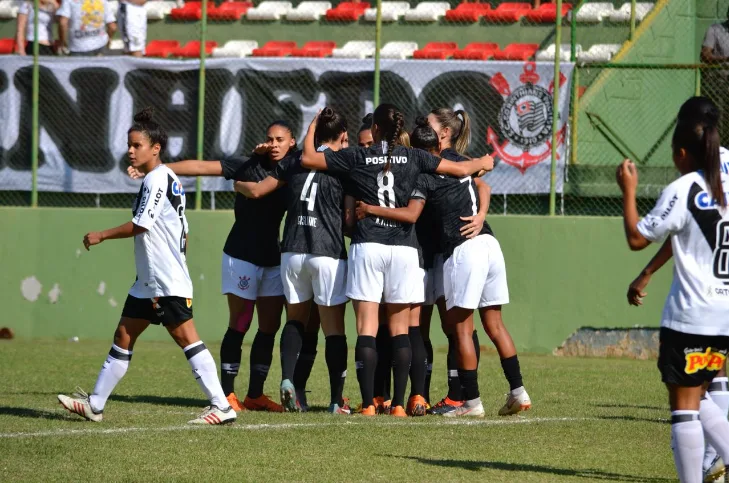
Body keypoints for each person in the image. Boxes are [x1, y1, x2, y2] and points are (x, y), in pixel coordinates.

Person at [301, 103, 493, 417]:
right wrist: (484, 161)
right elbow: (460, 170)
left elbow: (309, 157)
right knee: (404, 330)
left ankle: (367, 404)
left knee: (367, 327)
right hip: (406, 248)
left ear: (373, 129)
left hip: (368, 245)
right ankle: (402, 405)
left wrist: (313, 126)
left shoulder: (358, 156)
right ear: (400, 130)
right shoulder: (415, 156)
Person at [58, 108, 235, 425]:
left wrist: (102, 234)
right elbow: (184, 230)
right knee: (124, 333)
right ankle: (95, 404)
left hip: (163, 279)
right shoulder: (166, 178)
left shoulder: (157, 179)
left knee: (186, 337)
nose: (130, 149)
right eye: (129, 144)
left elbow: (142, 224)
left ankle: (221, 406)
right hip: (151, 279)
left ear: (156, 148)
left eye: (137, 144)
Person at [128, 120, 297, 413]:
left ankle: (255, 394)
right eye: (270, 138)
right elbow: (202, 167)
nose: (274, 144)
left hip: (273, 256)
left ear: (292, 142)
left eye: (280, 139)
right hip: (240, 254)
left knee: (269, 327)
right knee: (240, 325)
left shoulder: (293, 169)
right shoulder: (247, 164)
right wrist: (159, 168)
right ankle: (228, 394)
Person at [616, 96, 729, 483]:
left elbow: (636, 237)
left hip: (691, 314)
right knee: (703, 393)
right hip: (724, 313)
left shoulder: (684, 187)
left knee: (685, 407)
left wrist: (627, 189)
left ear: (682, 151)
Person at [356, 121, 500, 417]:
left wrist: (481, 207)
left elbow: (477, 181)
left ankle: (447, 394)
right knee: (409, 328)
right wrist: (483, 164)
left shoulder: (419, 164)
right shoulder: (412, 166)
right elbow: (475, 174)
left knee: (444, 327)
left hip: (433, 254)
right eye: (363, 145)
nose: (368, 150)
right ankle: (401, 397)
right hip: (416, 254)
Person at [233, 107, 354, 414]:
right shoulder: (345, 161)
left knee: (295, 321)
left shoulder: (293, 161)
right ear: (342, 136)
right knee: (333, 331)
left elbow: (260, 189)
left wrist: (236, 183)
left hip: (292, 251)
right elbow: (350, 216)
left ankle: (288, 380)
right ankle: (336, 401)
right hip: (326, 252)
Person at [701, 7, 729, 144]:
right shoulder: (715, 30)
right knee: (720, 121)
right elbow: (705, 54)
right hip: (720, 83)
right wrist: (725, 59)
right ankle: (719, 153)